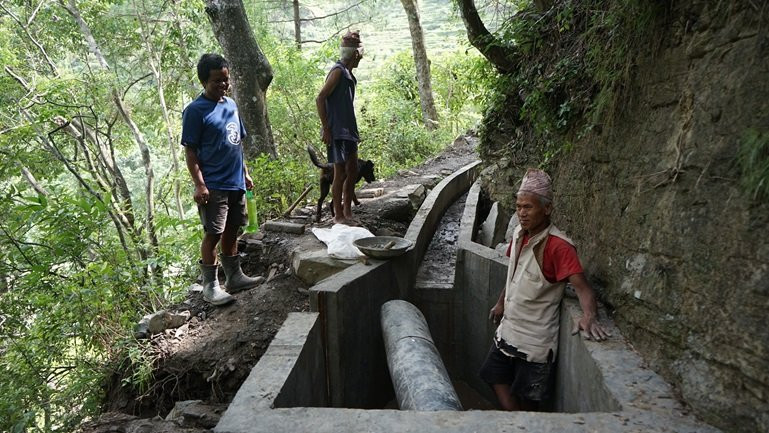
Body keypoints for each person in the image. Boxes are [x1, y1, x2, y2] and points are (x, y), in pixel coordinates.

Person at [480, 168, 610, 411]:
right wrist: (501, 303)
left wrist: (589, 317)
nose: (521, 213)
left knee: (530, 403)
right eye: (518, 206)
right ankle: (514, 418)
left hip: (534, 344)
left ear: (547, 208)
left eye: (528, 207)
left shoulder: (558, 246)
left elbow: (583, 289)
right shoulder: (519, 235)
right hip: (508, 331)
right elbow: (514, 275)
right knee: (493, 376)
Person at [181, 53, 261, 306]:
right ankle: (211, 286)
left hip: (235, 180)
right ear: (204, 81)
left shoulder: (231, 105)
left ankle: (234, 276)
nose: (223, 85)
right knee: (213, 233)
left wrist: (245, 173)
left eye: (225, 80)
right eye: (217, 81)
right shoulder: (195, 111)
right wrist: (199, 183)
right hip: (214, 184)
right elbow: (190, 151)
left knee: (233, 229)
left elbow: (237, 143)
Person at [316, 30, 364, 225]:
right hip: (336, 131)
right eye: (360, 53)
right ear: (355, 54)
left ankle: (347, 211)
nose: (362, 56)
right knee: (340, 172)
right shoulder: (337, 72)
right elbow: (320, 98)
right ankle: (338, 216)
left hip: (349, 130)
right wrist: (326, 128)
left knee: (352, 170)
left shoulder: (349, 74)